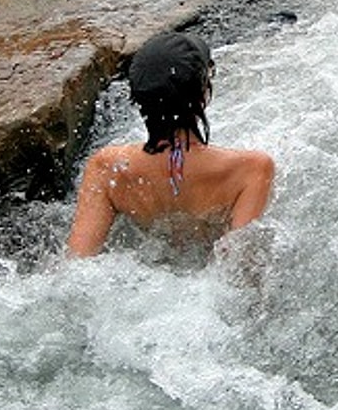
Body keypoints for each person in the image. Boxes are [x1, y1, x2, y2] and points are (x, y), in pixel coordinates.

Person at [67, 31, 275, 257]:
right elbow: (240, 267)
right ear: (202, 96)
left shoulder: (106, 167)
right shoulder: (251, 169)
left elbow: (78, 262)